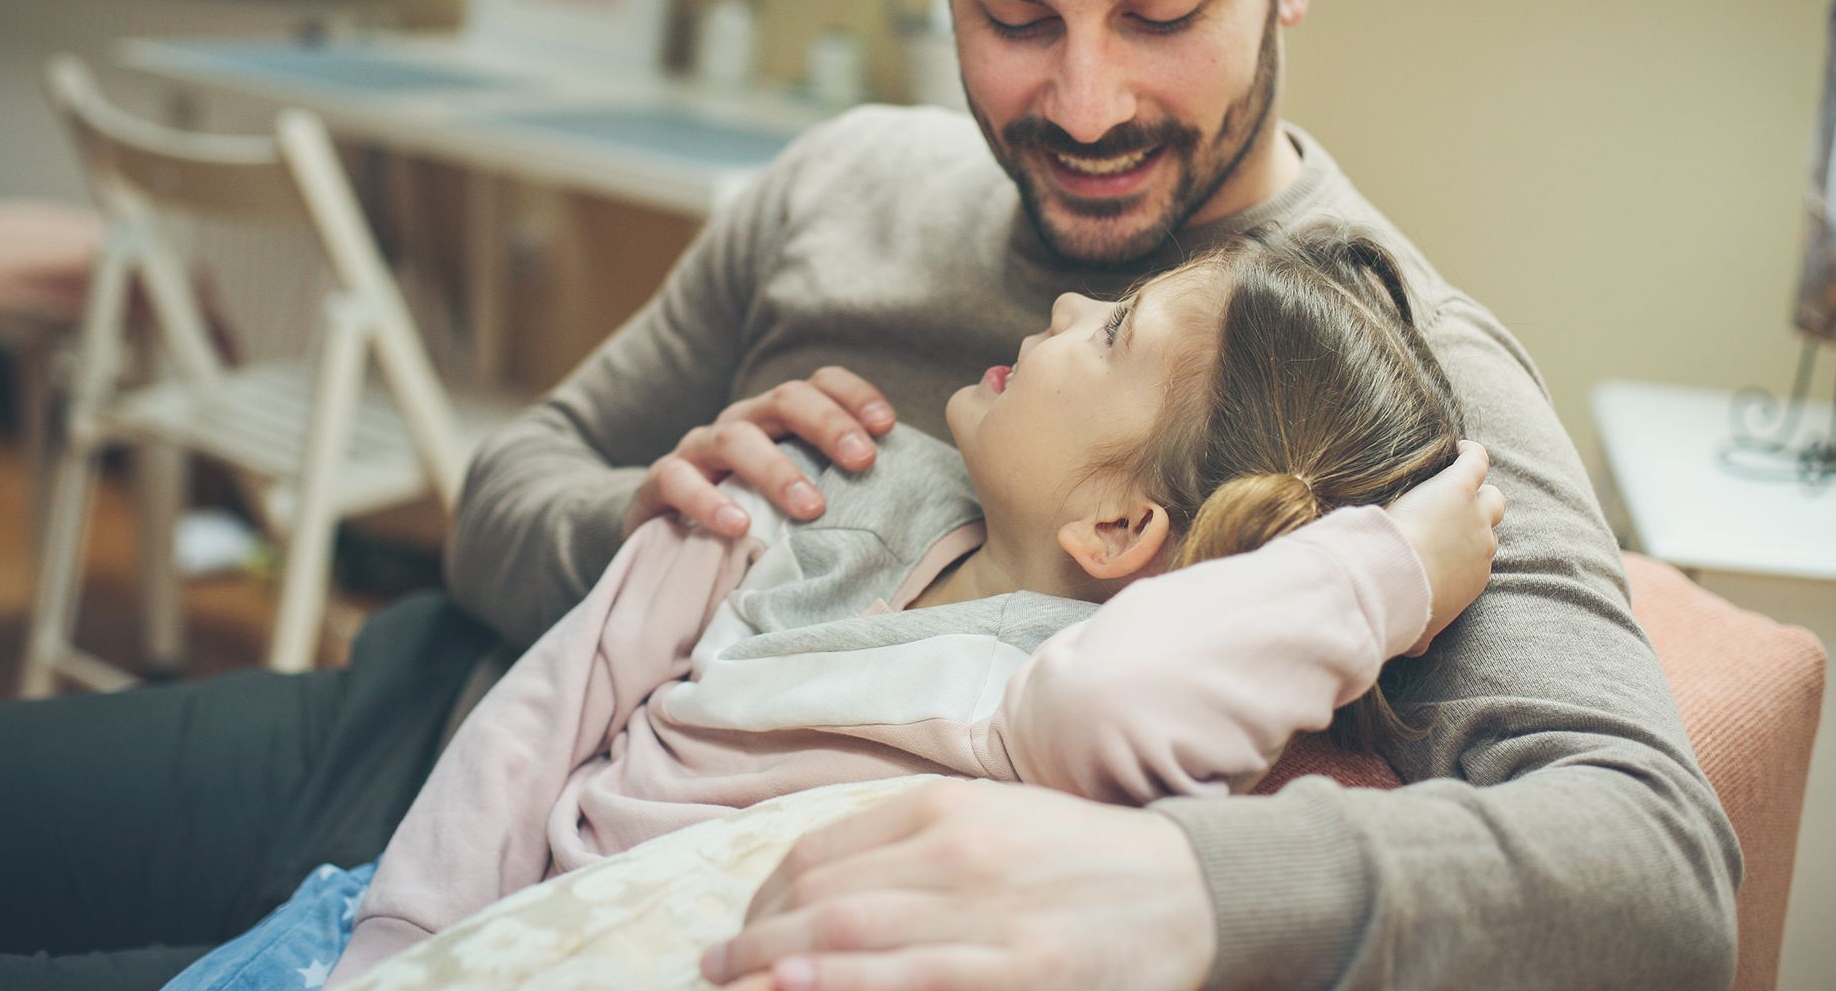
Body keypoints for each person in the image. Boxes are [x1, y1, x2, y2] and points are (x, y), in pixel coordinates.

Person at [0, 0, 1738, 989]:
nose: (1087, 101)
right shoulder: (841, 183)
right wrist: (644, 510)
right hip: (418, 726)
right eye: (1013, 14)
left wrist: (1176, 889)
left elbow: (1654, 871)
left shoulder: (1371, 377)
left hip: (592, 917)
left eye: (1164, 11)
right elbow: (503, 484)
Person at [162, 229, 1501, 990]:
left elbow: (1109, 696)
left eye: (1114, 333)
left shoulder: (1079, 700)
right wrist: (396, 945)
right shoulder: (816, 479)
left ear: (1118, 529)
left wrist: (1391, 568)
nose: (1069, 303)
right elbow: (551, 707)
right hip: (391, 929)